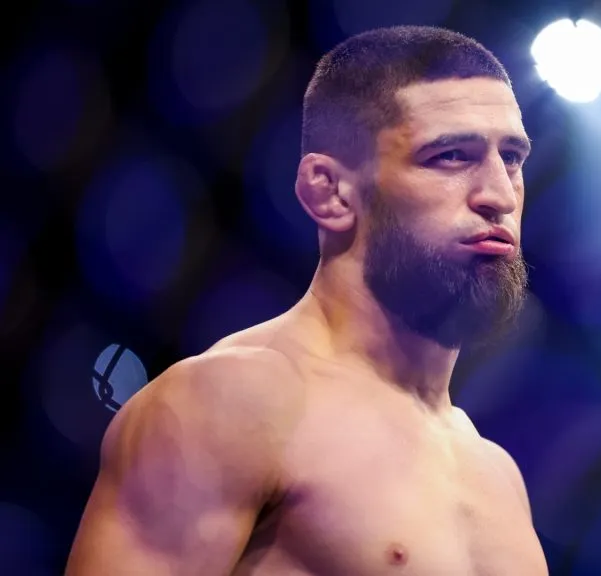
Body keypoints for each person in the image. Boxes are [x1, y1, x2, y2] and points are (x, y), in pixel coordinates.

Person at [66, 25, 548, 575]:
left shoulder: (497, 475)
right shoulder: (233, 403)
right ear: (330, 191)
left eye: (512, 158)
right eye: (451, 155)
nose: (500, 195)